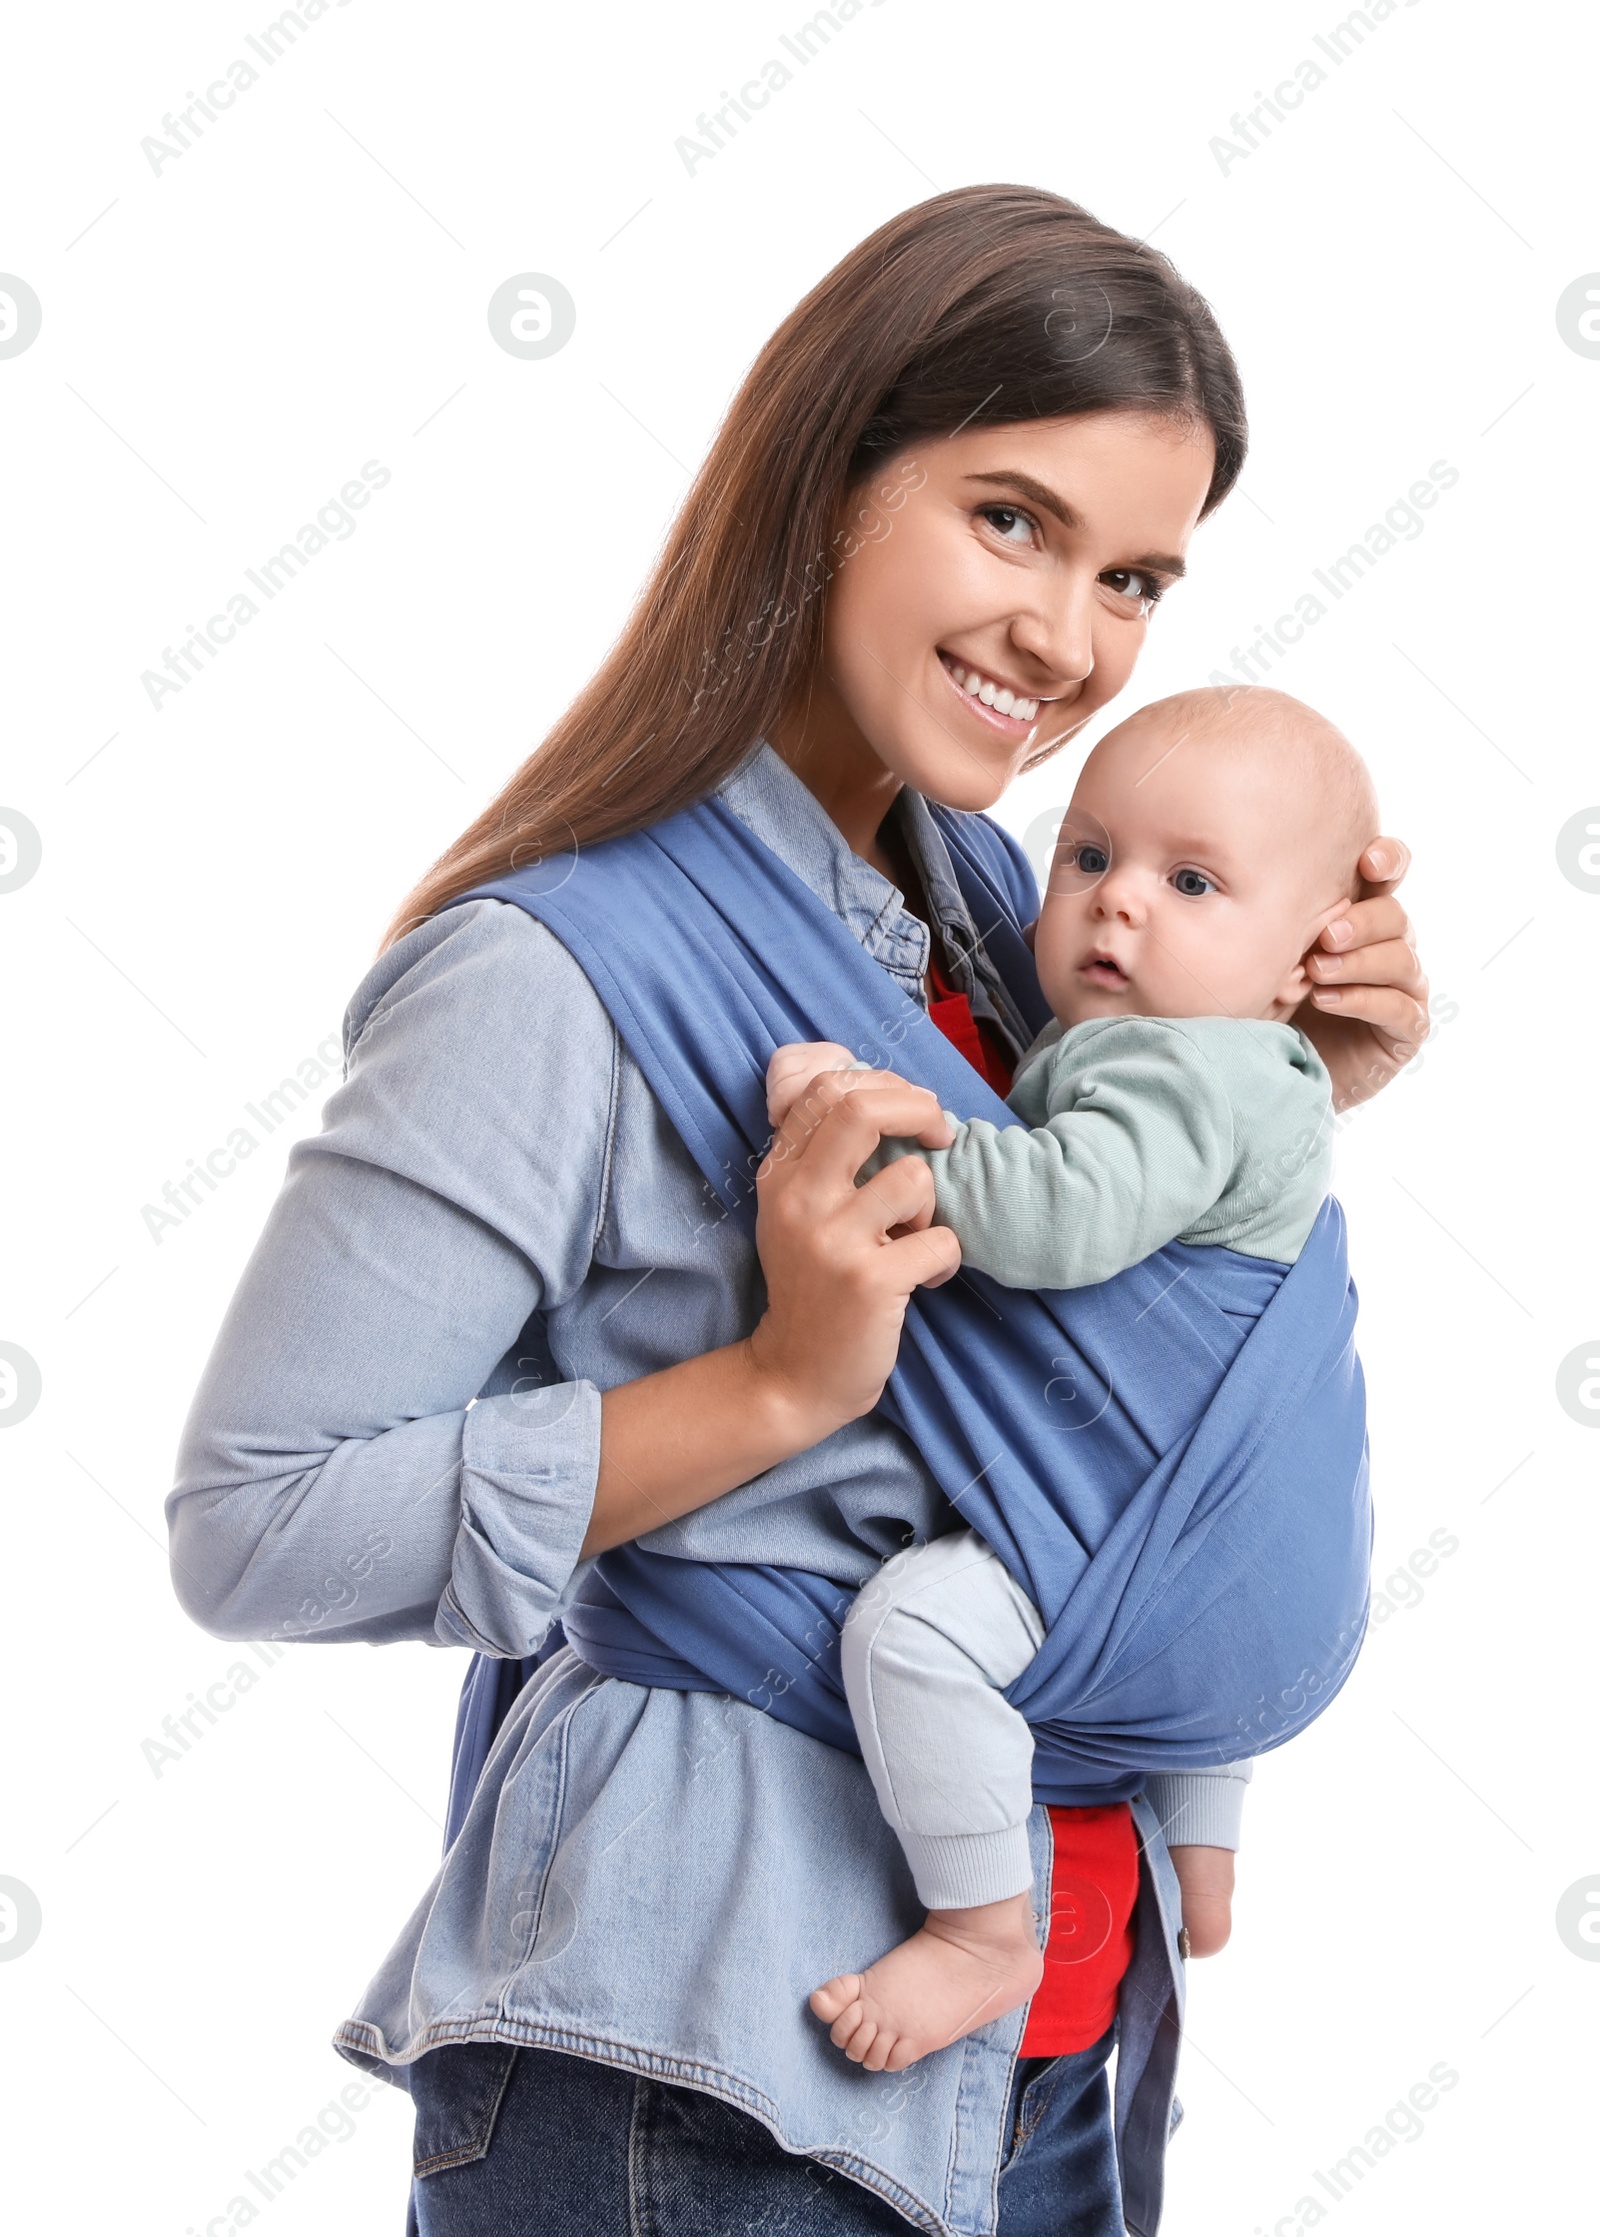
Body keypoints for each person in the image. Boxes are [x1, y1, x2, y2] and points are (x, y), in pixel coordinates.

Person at [165, 187, 1428, 2237]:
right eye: (1007, 521)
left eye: (1131, 578)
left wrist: (1288, 1085)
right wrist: (768, 1387)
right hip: (718, 2054)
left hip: (1053, 2048)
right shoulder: (551, 970)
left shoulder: (1015, 922)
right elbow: (255, 1525)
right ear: (822, 479)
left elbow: (1104, 1378)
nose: (1067, 638)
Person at [762, 686, 1375, 2073]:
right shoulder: (1250, 1066)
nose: (1118, 906)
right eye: (1089, 855)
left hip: (1169, 1540)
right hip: (1258, 1570)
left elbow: (1061, 1217)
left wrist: (859, 1135)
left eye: (1194, 879)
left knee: (912, 1630)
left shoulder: (1181, 1067)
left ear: (1302, 963)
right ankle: (1200, 1849)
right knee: (1192, 1533)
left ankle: (982, 1930)